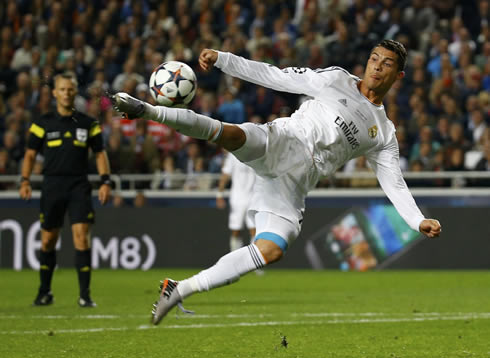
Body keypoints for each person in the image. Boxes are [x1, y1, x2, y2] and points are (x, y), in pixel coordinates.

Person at [111, 39, 442, 325]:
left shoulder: (383, 133)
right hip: (281, 141)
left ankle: (178, 289)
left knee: (271, 249)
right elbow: (276, 75)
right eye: (374, 59)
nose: (377, 68)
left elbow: (393, 181)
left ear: (398, 76)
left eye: (386, 64)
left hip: (293, 185)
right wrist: (225, 60)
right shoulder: (336, 80)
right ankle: (148, 111)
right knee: (229, 134)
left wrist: (417, 220)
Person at [19, 72, 112, 307]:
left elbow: (100, 154)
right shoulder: (42, 123)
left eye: (70, 89)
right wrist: (24, 180)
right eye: (62, 89)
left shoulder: (88, 123)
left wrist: (105, 181)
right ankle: (44, 292)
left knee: (82, 238)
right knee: (48, 240)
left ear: (75, 92)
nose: (67, 93)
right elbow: (30, 155)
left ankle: (85, 295)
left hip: (78, 185)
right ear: (54, 93)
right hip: (52, 185)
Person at [216, 151, 257, 252]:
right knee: (236, 230)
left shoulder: (256, 153)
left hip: (254, 198)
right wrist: (219, 194)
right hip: (237, 199)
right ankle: (235, 259)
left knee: (255, 231)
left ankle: (255, 263)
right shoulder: (232, 155)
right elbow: (226, 174)